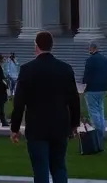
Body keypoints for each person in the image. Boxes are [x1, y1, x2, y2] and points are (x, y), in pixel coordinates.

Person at [9, 31, 80, 183]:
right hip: (60, 126)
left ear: (36, 46)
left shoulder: (27, 69)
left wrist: (15, 128)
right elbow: (74, 100)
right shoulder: (65, 69)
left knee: (40, 170)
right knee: (59, 167)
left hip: (37, 127)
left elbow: (19, 103)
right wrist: (74, 125)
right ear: (51, 46)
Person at [80, 42, 107, 148]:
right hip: (103, 89)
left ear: (91, 49)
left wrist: (84, 86)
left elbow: (87, 75)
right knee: (100, 110)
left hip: (92, 89)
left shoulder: (90, 60)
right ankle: (101, 132)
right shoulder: (105, 60)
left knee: (94, 112)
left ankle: (98, 133)